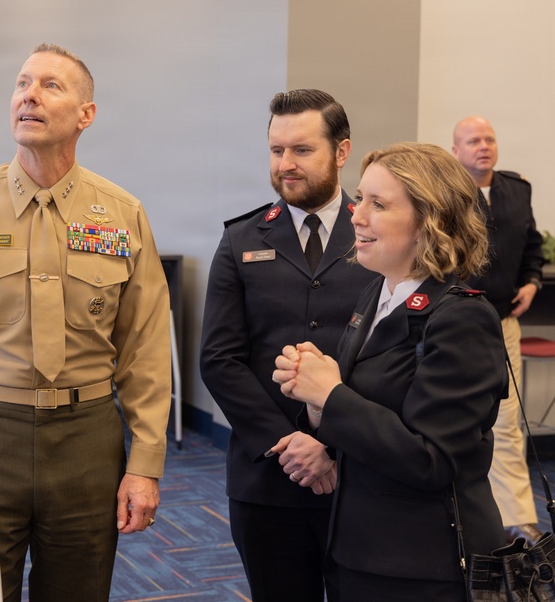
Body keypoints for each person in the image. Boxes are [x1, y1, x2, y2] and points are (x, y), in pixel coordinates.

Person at [0, 43, 171, 602]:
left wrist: (145, 463)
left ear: (85, 114)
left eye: (51, 85)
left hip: (87, 441)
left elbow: (146, 348)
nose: (29, 94)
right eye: (22, 83)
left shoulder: (122, 215)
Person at [273, 142, 508, 601]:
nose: (356, 215)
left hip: (424, 566)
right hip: (358, 549)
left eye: (378, 205)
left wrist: (330, 396)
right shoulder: (377, 295)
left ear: (430, 222)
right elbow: (373, 413)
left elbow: (431, 460)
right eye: (360, 199)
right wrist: (320, 422)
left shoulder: (462, 318)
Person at [199, 89, 376, 601]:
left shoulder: (377, 232)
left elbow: (393, 351)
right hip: (268, 478)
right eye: (277, 151)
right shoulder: (242, 239)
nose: (285, 165)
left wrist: (333, 444)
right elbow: (219, 358)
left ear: (341, 153)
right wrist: (288, 445)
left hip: (360, 472)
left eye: (301, 150)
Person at [452, 115, 545, 543]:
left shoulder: (516, 189)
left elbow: (531, 244)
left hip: (504, 320)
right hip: (457, 323)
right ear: (456, 150)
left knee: (507, 422)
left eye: (489, 139)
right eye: (473, 140)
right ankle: (462, 514)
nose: (483, 146)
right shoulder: (447, 192)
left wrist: (532, 281)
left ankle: (518, 517)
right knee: (459, 418)